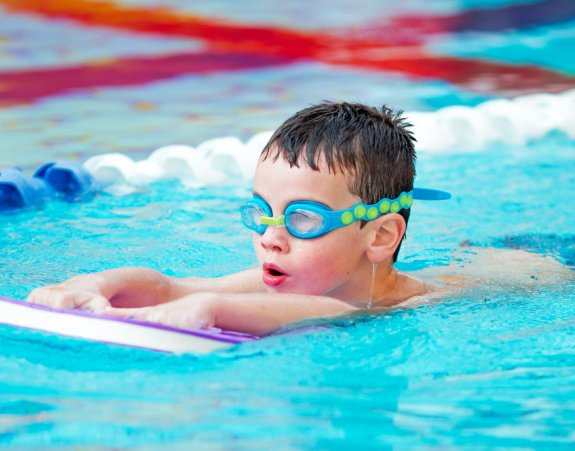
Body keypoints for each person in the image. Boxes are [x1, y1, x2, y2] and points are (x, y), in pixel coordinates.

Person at [26, 102, 572, 336]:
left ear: (380, 235)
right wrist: (93, 284)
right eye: (261, 214)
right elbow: (175, 286)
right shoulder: (296, 271)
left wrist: (212, 311)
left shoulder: (387, 302)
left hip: (537, 272)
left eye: (303, 219)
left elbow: (328, 312)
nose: (271, 238)